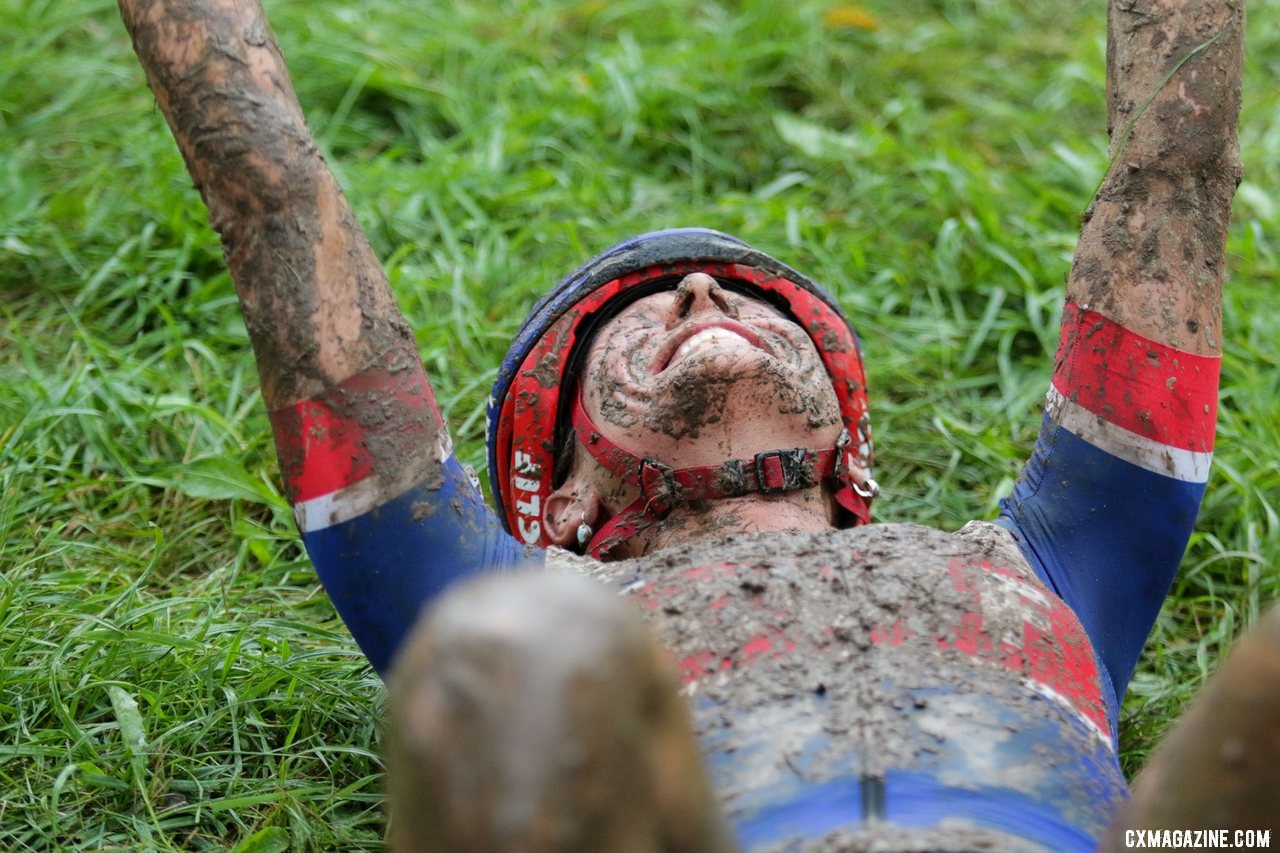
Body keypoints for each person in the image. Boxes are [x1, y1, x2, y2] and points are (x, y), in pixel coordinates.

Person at [117, 0, 1245, 849]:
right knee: (499, 654)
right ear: (558, 501)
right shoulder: (519, 595)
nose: (702, 295)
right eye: (637, 314)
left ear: (845, 453)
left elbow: (1171, 175)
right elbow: (271, 192)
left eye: (747, 299)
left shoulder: (1058, 555)